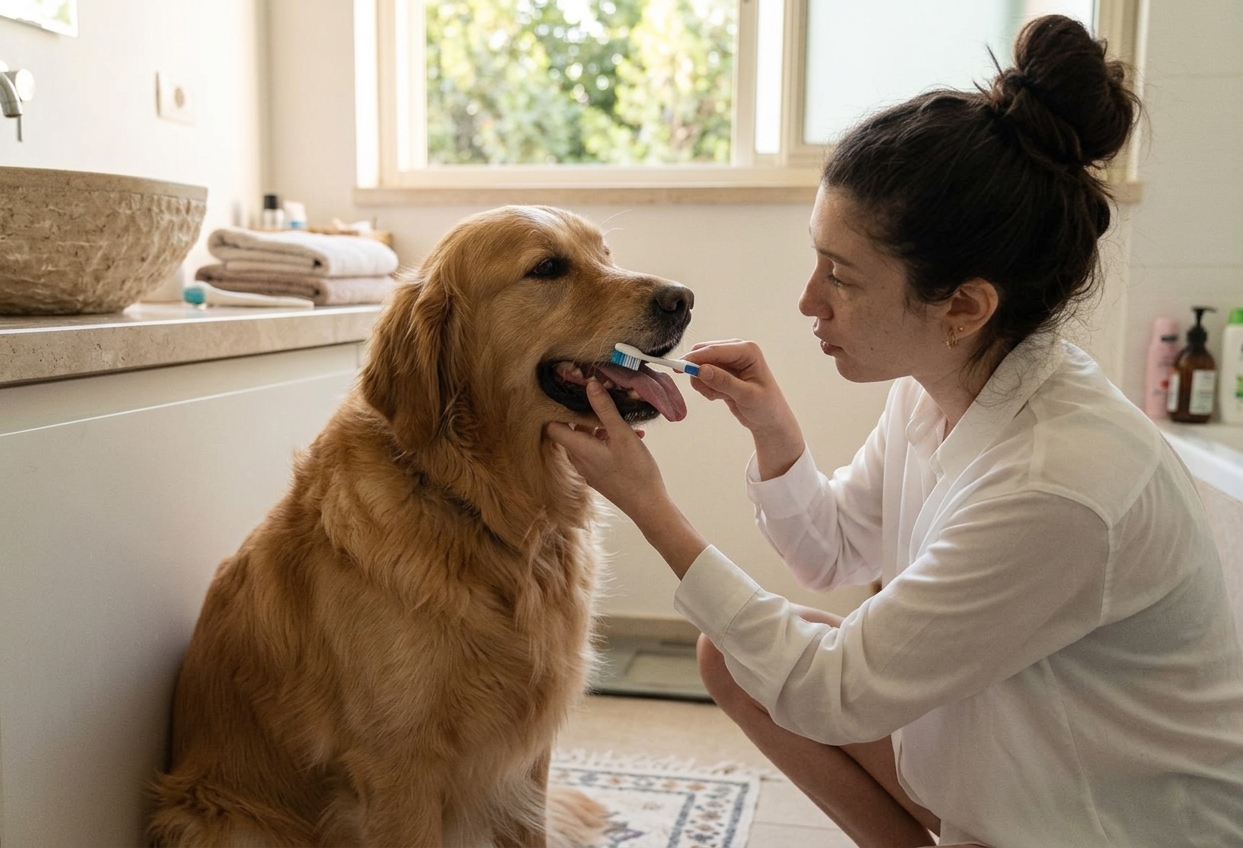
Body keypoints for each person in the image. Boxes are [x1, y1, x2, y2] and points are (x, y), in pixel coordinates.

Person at [546, 14, 1243, 848]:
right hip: (1014, 778)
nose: (809, 301)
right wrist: (775, 434)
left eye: (839, 277)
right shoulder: (940, 387)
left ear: (963, 306)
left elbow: (832, 694)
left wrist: (646, 504)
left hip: (1112, 827)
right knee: (732, 656)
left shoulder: (1058, 483)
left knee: (789, 667)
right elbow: (833, 552)